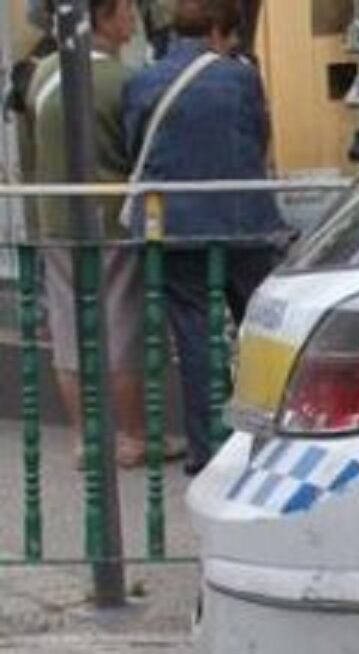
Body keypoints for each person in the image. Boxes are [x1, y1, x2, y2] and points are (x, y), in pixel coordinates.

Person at [123, 0, 282, 474]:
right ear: (218, 31)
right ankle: (264, 439)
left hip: (172, 226)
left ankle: (207, 446)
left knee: (194, 335)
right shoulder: (240, 78)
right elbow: (258, 137)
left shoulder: (141, 81)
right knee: (260, 329)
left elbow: (136, 145)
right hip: (242, 223)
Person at [27, 0, 153, 468]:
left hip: (54, 219)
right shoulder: (123, 83)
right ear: (103, 18)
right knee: (119, 328)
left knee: (68, 331)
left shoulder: (42, 74)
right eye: (126, 10)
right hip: (110, 219)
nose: (134, 19)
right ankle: (131, 436)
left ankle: (85, 438)